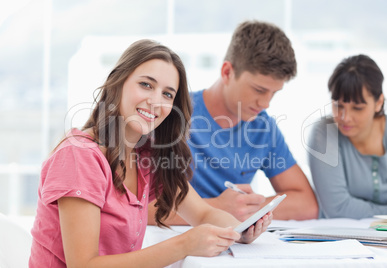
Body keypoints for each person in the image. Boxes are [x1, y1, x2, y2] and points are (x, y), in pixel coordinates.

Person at [29, 39, 272, 267]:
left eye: (167, 94)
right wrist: (184, 244)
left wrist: (240, 231)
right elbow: (83, 265)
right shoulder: (79, 155)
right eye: (146, 85)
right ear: (118, 82)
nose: (156, 101)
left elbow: (203, 213)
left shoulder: (147, 157)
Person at [148, 20, 318, 225]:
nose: (265, 103)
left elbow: (306, 204)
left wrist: (249, 208)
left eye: (274, 93)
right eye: (259, 90)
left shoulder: (262, 127)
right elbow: (133, 206)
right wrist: (218, 209)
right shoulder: (172, 115)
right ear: (227, 72)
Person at [307, 54, 387, 219]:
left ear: (379, 102)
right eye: (338, 105)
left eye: (357, 108)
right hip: (340, 236)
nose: (345, 117)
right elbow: (338, 209)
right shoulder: (324, 133)